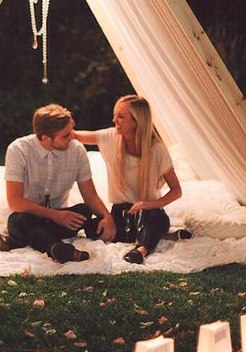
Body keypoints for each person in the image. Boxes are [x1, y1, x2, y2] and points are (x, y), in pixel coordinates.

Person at [0, 103, 116, 263]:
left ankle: (30, 241)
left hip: (59, 218)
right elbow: (15, 202)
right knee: (19, 220)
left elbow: (90, 195)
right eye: (66, 135)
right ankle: (55, 246)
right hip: (29, 216)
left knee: (84, 210)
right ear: (45, 138)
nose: (73, 137)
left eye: (72, 132)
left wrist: (107, 217)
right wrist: (55, 216)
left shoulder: (77, 150)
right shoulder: (18, 150)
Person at [74, 95, 182, 264]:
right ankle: (163, 236)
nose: (114, 119)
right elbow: (74, 135)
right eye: (115, 114)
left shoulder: (157, 149)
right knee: (93, 228)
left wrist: (148, 204)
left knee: (158, 220)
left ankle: (141, 250)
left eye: (121, 116)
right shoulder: (110, 137)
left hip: (149, 212)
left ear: (136, 121)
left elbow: (177, 191)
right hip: (120, 213)